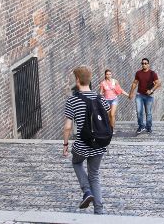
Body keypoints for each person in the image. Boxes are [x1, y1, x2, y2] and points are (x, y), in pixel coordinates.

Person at [63, 66, 110, 215]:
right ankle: (99, 210)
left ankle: (87, 191)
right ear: (89, 80)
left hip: (82, 144)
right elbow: (107, 113)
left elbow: (68, 127)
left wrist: (65, 144)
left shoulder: (73, 100)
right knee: (94, 174)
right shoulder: (99, 97)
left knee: (76, 162)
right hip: (99, 144)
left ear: (77, 80)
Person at [128, 58, 161, 134]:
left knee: (148, 112)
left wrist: (151, 90)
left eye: (145, 63)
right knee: (139, 111)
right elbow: (134, 83)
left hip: (149, 97)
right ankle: (141, 126)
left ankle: (148, 127)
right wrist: (131, 93)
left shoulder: (152, 73)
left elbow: (158, 83)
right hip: (139, 95)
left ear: (148, 64)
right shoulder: (138, 73)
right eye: (142, 63)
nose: (144, 64)